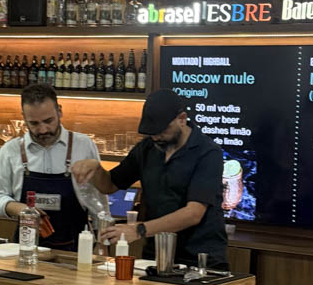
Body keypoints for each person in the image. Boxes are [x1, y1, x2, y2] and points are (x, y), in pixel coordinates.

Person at [71, 88, 228, 269]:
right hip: (156, 254)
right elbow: (111, 185)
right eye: (151, 133)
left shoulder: (208, 153)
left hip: (199, 257)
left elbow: (193, 213)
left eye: (162, 131)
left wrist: (139, 229)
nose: (156, 137)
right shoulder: (147, 148)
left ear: (182, 119)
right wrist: (96, 169)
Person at [0, 83, 106, 250]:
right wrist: (21, 209)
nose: (43, 130)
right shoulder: (10, 150)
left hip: (76, 248)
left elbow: (99, 201)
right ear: (24, 117)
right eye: (34, 123)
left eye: (48, 121)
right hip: (25, 248)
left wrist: (103, 242)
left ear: (59, 111)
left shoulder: (83, 145)